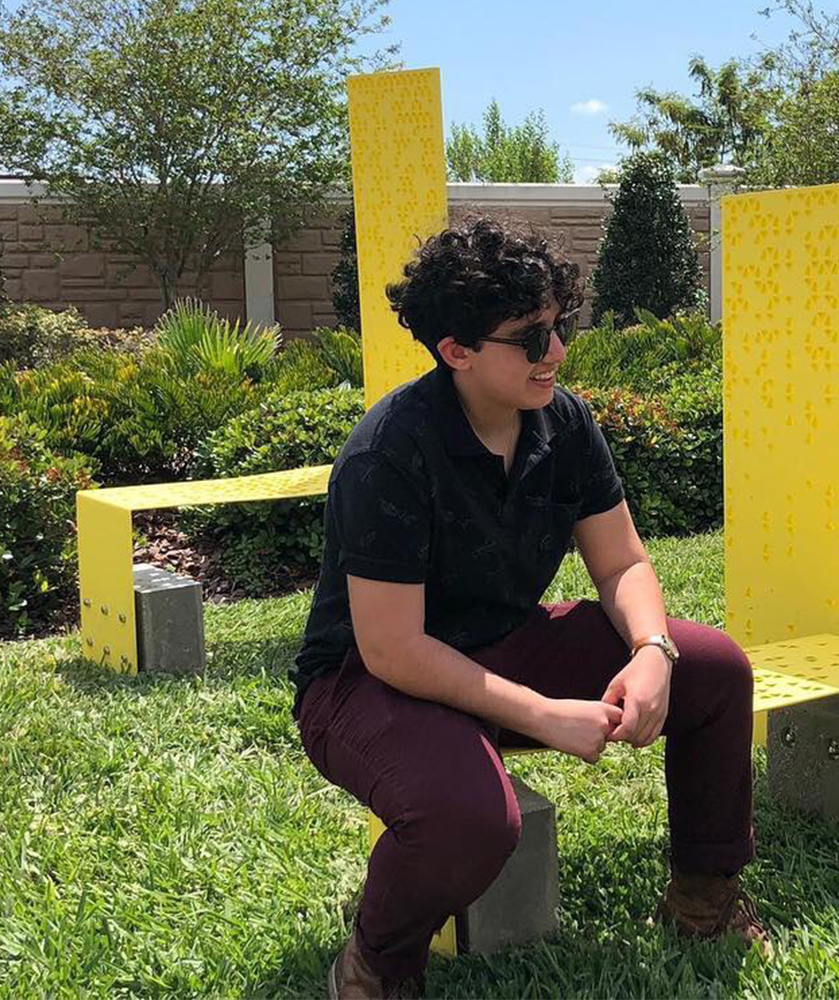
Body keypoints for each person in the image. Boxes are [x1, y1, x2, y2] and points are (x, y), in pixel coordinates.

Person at [290, 217, 768, 999]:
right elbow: (394, 650)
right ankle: (376, 964)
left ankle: (702, 899)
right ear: (458, 351)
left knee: (712, 668)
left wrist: (652, 649)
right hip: (363, 684)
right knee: (472, 817)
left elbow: (621, 563)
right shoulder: (390, 454)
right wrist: (545, 714)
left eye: (561, 325)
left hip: (500, 642)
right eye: (533, 336)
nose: (557, 352)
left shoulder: (563, 422)